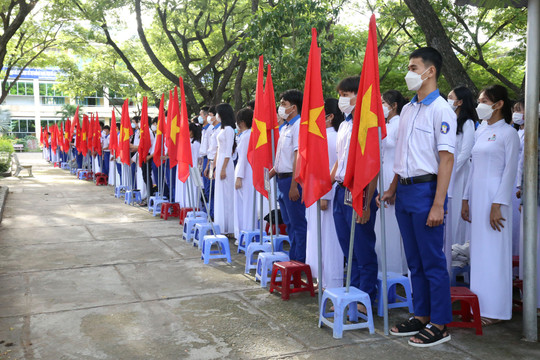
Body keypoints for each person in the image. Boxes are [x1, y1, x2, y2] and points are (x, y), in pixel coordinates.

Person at [381, 47, 455, 347]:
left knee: (432, 260)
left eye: (414, 67)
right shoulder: (409, 109)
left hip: (427, 191)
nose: (409, 73)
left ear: (431, 71)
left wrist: (438, 203)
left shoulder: (442, 110)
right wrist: (392, 187)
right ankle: (421, 315)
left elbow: (446, 159)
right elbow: (402, 155)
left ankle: (439, 323)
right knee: (414, 260)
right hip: (406, 191)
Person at [461, 85, 519, 326]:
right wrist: (465, 198)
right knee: (481, 254)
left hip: (496, 199)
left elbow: (510, 171)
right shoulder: (481, 130)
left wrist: (498, 203)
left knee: (496, 254)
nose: (479, 104)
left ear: (499, 104)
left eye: (484, 100)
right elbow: (473, 167)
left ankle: (496, 310)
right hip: (478, 197)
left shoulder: (508, 133)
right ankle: (480, 305)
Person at [330, 76, 379, 308]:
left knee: (362, 246)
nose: (343, 99)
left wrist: (367, 203)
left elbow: (372, 166)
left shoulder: (369, 125)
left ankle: (366, 295)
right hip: (341, 191)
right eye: (341, 94)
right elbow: (340, 160)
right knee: (347, 248)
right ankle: (353, 290)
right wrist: (325, 185)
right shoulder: (344, 124)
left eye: (347, 94)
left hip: (359, 191)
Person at [305, 98, 344, 289]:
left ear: (330, 116)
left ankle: (331, 281)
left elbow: (328, 169)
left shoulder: (331, 137)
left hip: (326, 192)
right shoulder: (327, 136)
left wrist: (324, 196)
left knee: (330, 239)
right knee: (320, 237)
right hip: (319, 192)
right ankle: (323, 279)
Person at [270, 89, 307, 263]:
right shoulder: (285, 127)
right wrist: (271, 174)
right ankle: (294, 257)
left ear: (293, 107)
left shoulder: (299, 125)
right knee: (289, 223)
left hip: (292, 180)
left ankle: (300, 260)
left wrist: (294, 184)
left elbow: (298, 156)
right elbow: (281, 158)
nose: (280, 108)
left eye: (283, 104)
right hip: (281, 179)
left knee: (298, 223)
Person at [375, 90, 408, 275]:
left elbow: (400, 156)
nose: (380, 106)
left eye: (383, 103)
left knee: (392, 227)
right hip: (382, 174)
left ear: (394, 105)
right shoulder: (386, 125)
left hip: (392, 176)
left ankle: (395, 269)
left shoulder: (399, 125)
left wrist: (394, 187)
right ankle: (383, 267)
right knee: (381, 227)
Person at [443, 86, 476, 271]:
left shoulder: (468, 123)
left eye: (450, 97)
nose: (448, 99)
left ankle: (458, 256)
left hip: (459, 174)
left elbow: (465, 151)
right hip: (447, 173)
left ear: (460, 101)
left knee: (457, 216)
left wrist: (452, 170)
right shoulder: (449, 120)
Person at [212, 103, 236, 234]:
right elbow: (218, 149)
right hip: (220, 162)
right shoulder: (221, 129)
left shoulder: (229, 130)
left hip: (226, 164)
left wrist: (223, 169)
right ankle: (221, 225)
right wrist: (214, 166)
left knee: (227, 195)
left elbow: (228, 151)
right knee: (220, 194)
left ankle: (229, 227)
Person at [233, 107, 255, 241]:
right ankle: (243, 233)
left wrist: (239, 177)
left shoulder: (247, 136)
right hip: (245, 173)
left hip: (245, 174)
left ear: (241, 122)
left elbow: (243, 158)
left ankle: (245, 233)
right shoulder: (245, 135)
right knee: (243, 205)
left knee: (245, 206)